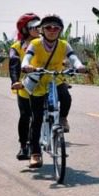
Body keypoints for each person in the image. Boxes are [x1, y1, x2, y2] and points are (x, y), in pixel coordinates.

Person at [20, 15, 87, 169]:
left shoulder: (64, 45)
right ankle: (35, 154)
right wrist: (26, 66)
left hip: (56, 78)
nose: (52, 30)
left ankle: (62, 118)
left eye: (56, 28)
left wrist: (79, 66)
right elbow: (27, 58)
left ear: (60, 31)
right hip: (38, 81)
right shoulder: (35, 44)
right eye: (48, 27)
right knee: (36, 119)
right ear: (42, 30)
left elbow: (73, 58)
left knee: (66, 97)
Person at [10, 13, 40, 161]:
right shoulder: (16, 47)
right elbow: (14, 64)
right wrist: (15, 81)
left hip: (46, 83)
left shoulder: (46, 43)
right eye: (34, 27)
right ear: (24, 30)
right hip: (26, 86)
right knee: (26, 116)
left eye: (39, 26)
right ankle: (23, 145)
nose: (38, 29)